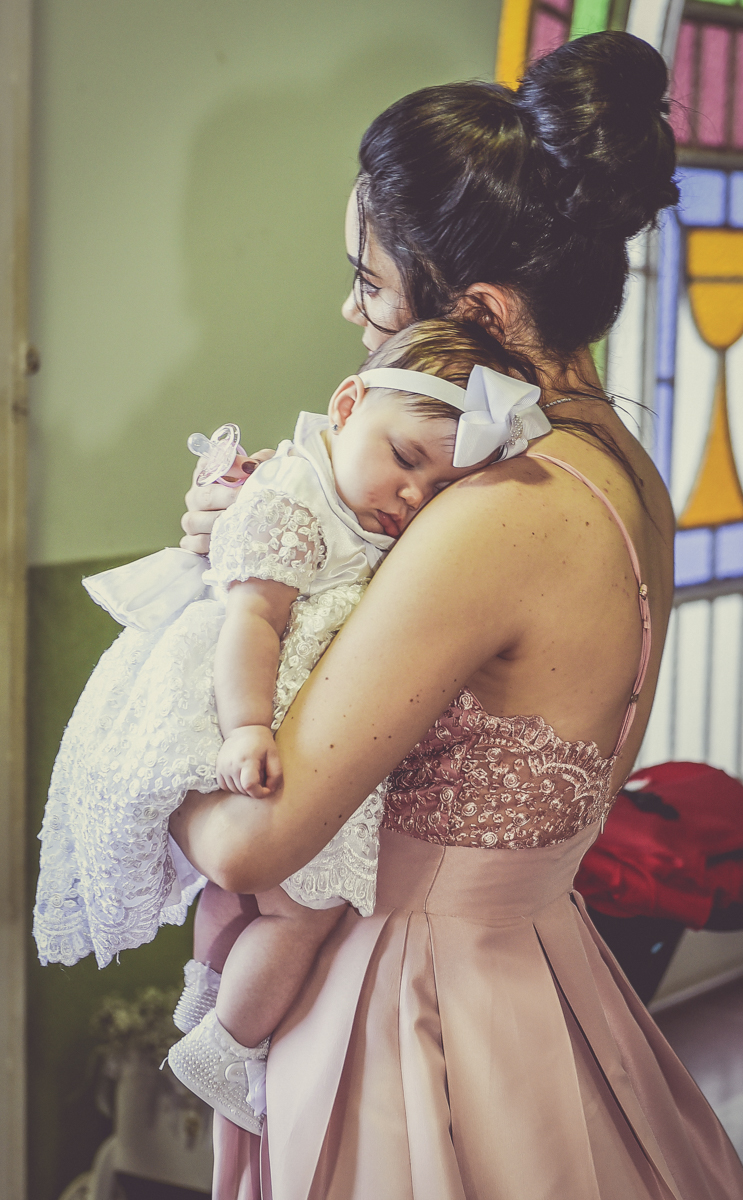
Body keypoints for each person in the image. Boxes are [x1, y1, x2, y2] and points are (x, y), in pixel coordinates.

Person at [172, 31, 743, 1200]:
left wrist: (191, 637)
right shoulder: (617, 466)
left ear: (480, 307)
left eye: (370, 279)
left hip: (410, 1010)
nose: (352, 310)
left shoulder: (499, 512)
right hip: (535, 967)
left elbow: (254, 840)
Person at [34, 318, 549, 1132]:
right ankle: (228, 1044)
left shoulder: (360, 506)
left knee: (253, 907)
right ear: (347, 405)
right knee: (305, 914)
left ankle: (210, 997)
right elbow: (250, 624)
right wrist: (245, 730)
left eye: (439, 489)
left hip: (279, 711)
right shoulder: (295, 499)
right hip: (245, 705)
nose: (412, 496)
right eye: (406, 460)